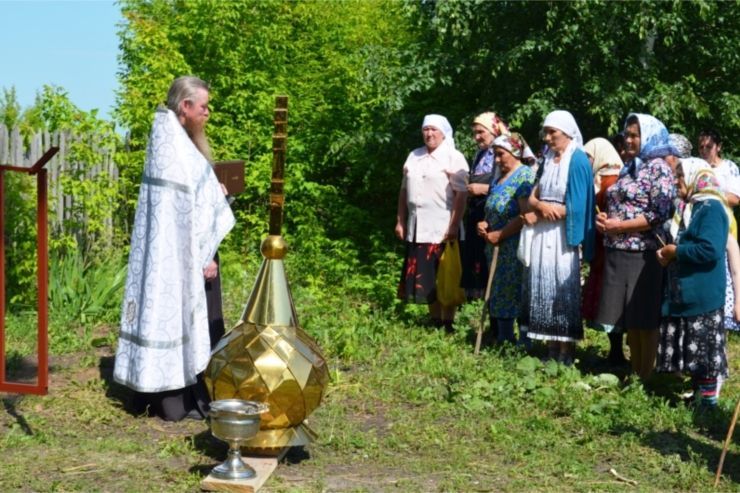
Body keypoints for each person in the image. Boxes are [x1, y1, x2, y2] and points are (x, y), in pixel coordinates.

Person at [114, 76, 235, 421]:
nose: (207, 113)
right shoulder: (172, 145)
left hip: (175, 254)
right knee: (187, 317)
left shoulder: (170, 139)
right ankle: (180, 400)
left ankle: (162, 395)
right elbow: (185, 210)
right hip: (185, 258)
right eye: (203, 107)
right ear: (185, 107)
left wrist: (215, 193)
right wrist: (205, 255)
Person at [595, 113, 675, 380]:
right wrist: (606, 219)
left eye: (634, 135)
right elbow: (620, 202)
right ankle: (635, 370)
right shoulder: (630, 166)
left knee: (644, 316)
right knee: (630, 317)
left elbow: (659, 213)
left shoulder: (659, 168)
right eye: (626, 134)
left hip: (644, 252)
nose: (628, 139)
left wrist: (621, 226)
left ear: (649, 137)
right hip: (618, 249)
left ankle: (645, 376)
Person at [521, 110, 595, 364]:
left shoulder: (578, 159)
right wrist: (540, 207)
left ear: (567, 132)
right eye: (546, 132)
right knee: (544, 285)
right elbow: (533, 195)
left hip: (564, 234)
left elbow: (579, 205)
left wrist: (551, 209)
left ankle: (566, 351)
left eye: (553, 132)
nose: (548, 138)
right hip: (544, 229)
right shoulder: (547, 158)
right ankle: (551, 348)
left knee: (563, 289)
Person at [656, 168, 730, 407]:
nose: (676, 181)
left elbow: (710, 249)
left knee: (704, 351)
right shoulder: (691, 207)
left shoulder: (712, 209)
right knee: (693, 347)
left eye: (680, 176)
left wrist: (676, 251)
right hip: (684, 290)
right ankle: (698, 395)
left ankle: (708, 403)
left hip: (702, 293)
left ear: (694, 177)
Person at [396, 114, 469, 332]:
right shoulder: (414, 156)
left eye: (433, 130)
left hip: (443, 227)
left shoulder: (453, 157)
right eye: (425, 129)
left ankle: (448, 322)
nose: (429, 134)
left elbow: (462, 194)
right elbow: (403, 190)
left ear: (443, 133)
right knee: (425, 276)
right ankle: (435, 320)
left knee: (445, 275)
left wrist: (454, 225)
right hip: (418, 226)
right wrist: (400, 220)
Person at [476, 133, 536, 344]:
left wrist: (500, 234)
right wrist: (485, 224)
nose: (497, 160)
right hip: (494, 245)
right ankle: (504, 338)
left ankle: (521, 341)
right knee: (499, 290)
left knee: (514, 290)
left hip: (513, 244)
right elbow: (493, 208)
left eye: (501, 155)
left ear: (515, 153)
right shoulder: (498, 178)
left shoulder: (524, 177)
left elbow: (525, 215)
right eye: (495, 155)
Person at [580, 137, 625, 365]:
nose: (586, 161)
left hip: (610, 248)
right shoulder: (604, 177)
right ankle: (615, 351)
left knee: (612, 299)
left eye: (589, 157)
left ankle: (617, 352)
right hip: (604, 247)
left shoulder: (611, 180)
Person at [461, 112, 509, 300]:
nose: (476, 137)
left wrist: (484, 188)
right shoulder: (480, 154)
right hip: (477, 213)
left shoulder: (506, 153)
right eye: (475, 133)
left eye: (481, 132)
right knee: (476, 261)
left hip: (495, 216)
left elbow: (516, 183)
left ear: (494, 130)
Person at [697, 129, 740, 207]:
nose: (704, 150)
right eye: (701, 147)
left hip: (721, 217)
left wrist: (707, 199)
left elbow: (735, 198)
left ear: (718, 147)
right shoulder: (694, 167)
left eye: (708, 147)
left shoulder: (729, 167)